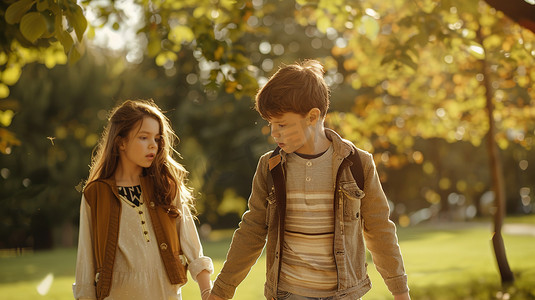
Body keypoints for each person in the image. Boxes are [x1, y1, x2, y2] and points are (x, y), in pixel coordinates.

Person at [207, 60, 410, 300]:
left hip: (344, 294)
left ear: (312, 117)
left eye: (282, 124)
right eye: (270, 123)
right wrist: (221, 292)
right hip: (288, 293)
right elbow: (251, 231)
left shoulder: (358, 164)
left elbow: (380, 229)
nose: (273, 132)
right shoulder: (270, 167)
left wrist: (400, 291)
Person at [72, 100, 213, 300]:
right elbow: (85, 261)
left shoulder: (167, 187)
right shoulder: (95, 193)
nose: (152, 145)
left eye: (156, 138)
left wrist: (207, 291)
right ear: (121, 142)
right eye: (143, 137)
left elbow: (192, 244)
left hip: (166, 294)